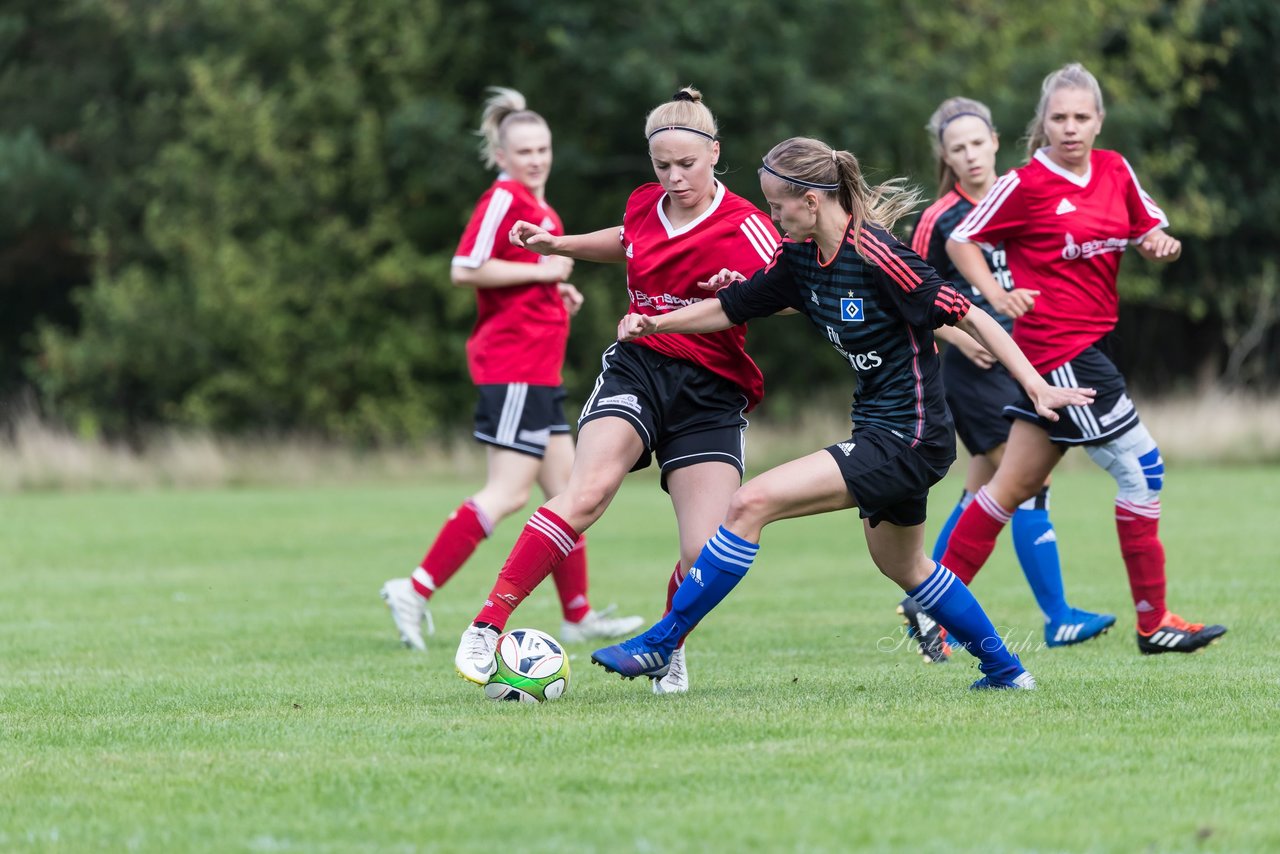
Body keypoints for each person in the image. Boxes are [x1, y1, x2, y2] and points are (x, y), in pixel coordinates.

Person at [591, 136, 1097, 691]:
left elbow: (970, 314)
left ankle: (660, 644)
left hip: (911, 434)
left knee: (750, 502)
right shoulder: (802, 258)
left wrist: (1035, 386)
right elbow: (733, 307)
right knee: (904, 565)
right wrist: (657, 323)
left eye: (776, 203)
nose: (769, 213)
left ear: (811, 201)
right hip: (883, 428)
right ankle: (1006, 670)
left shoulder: (879, 256)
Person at [451, 87, 782, 692]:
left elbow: (794, 291)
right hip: (638, 368)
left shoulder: (748, 226)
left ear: (715, 153)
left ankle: (667, 642)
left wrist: (747, 292)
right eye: (663, 166)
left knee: (703, 552)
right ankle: (486, 624)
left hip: (711, 391)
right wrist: (558, 244)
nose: (675, 178)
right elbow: (627, 237)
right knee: (587, 492)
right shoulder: (643, 203)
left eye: (687, 164)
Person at [939, 63, 1226, 654]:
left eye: (1082, 117)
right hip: (1060, 350)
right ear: (1042, 123)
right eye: (1058, 117)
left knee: (1007, 489)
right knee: (1143, 471)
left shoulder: (1116, 170)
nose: (1070, 128)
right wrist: (994, 297)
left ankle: (936, 609)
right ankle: (1154, 623)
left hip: (1093, 342)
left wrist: (1157, 244)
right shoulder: (1024, 184)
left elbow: (1149, 229)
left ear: (1099, 121)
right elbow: (960, 239)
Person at [380, 87, 643, 652]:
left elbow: (529, 276)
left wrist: (559, 293)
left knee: (570, 491)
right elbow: (464, 267)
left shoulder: (543, 211)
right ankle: (415, 588)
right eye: (523, 150)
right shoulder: (504, 199)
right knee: (507, 493)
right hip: (513, 366)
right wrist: (545, 276)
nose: (536, 159)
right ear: (501, 156)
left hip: (538, 370)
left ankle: (577, 614)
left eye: (543, 148)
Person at [895, 96, 1115, 664]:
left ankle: (926, 606)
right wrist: (965, 337)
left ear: (996, 141)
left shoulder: (1024, 195)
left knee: (982, 492)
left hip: (1027, 361)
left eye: (977, 143)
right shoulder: (939, 219)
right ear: (945, 156)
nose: (970, 156)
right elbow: (906, 300)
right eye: (957, 148)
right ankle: (1058, 616)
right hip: (974, 373)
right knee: (1027, 486)